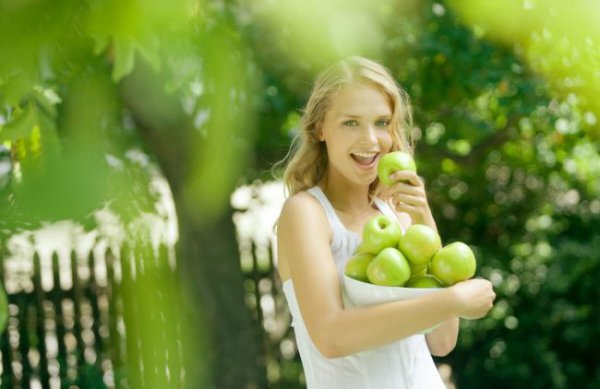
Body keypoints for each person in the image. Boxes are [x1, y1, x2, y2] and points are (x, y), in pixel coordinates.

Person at [275, 56, 496, 388]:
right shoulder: (306, 213)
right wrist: (453, 300)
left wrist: (424, 219)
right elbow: (331, 336)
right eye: (351, 123)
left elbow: (442, 341)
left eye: (381, 123)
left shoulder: (399, 215)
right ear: (320, 127)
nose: (371, 140)